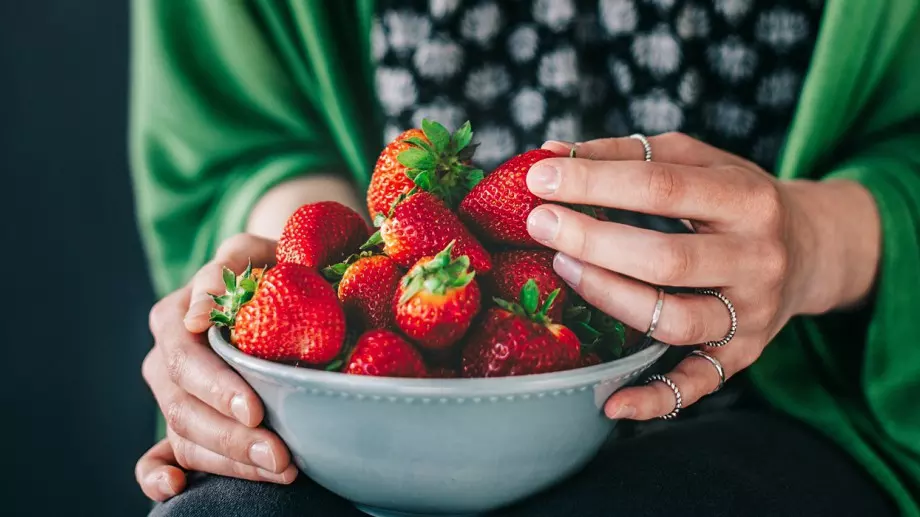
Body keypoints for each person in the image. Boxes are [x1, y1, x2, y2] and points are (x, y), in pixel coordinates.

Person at [130, 1, 920, 516]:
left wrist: (816, 240)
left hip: (776, 394)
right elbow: (245, 118)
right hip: (364, 400)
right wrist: (288, 278)